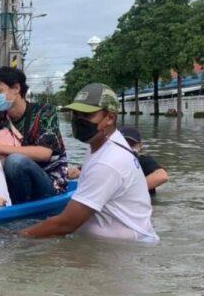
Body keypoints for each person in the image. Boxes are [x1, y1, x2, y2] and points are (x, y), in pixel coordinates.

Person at [20, 83, 158, 242]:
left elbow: (65, 224)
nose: (79, 121)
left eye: (87, 115)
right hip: (121, 242)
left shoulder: (108, 161)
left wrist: (18, 237)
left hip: (123, 250)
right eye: (76, 115)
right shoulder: (105, 144)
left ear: (110, 118)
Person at [0, 67, 68, 204]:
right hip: (16, 182)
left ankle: (18, 210)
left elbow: (44, 153)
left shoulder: (45, 112)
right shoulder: (1, 118)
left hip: (50, 183)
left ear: (16, 88)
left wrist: (0, 148)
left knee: (15, 161)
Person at [68, 126, 169, 196]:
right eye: (123, 142)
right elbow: (76, 172)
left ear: (140, 146)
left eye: (131, 144)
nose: (126, 146)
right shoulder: (106, 161)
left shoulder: (142, 160)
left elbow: (162, 176)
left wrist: (127, 191)